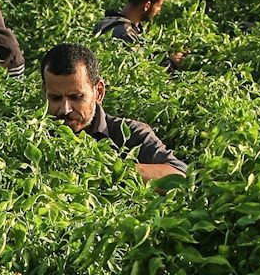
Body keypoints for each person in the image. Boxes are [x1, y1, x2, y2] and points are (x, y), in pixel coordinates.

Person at [41, 42, 187, 182]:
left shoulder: (128, 134)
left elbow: (180, 177)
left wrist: (106, 170)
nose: (65, 108)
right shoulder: (35, 138)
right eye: (55, 98)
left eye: (76, 97)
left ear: (98, 92)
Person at [95, 0, 167, 46]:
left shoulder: (105, 22)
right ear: (147, 6)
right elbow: (139, 55)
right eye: (159, 5)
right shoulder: (126, 34)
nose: (159, 9)